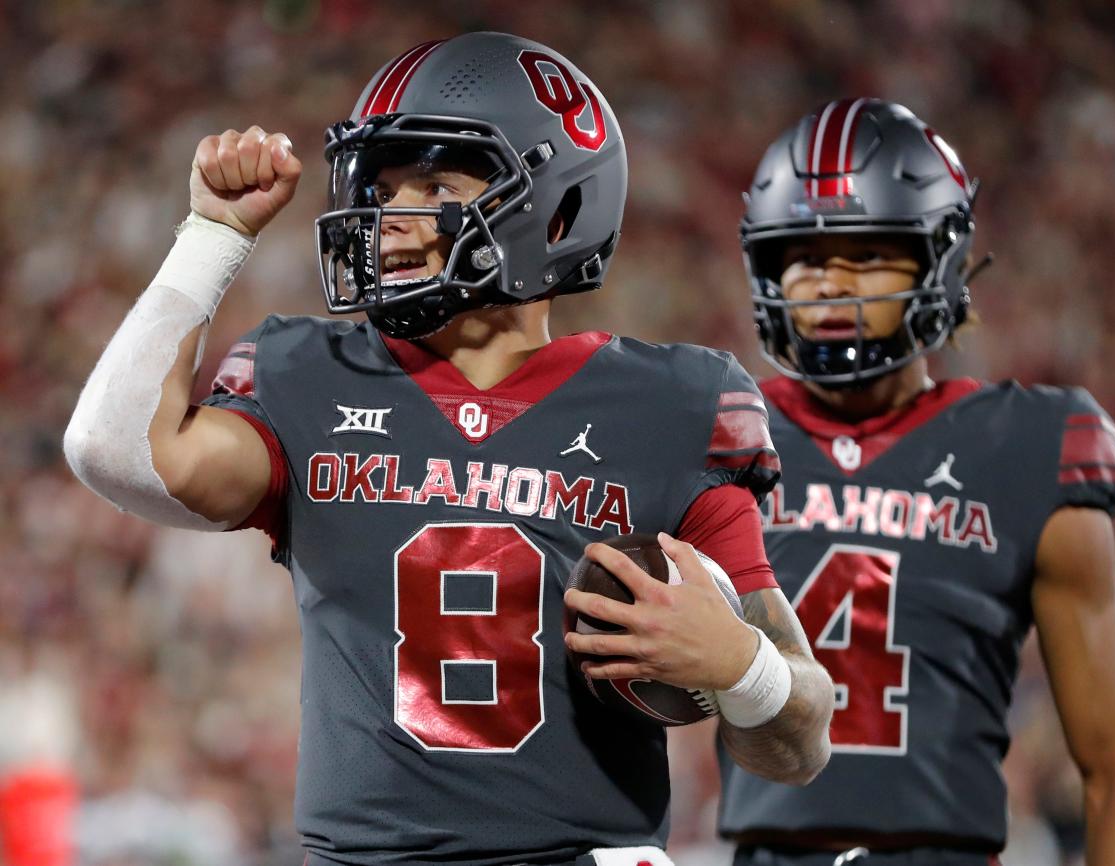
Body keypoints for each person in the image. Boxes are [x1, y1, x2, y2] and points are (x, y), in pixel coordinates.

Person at [63, 32, 834, 866]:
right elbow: (112, 450)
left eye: (434, 184)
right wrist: (211, 237)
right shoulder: (309, 375)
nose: (391, 218)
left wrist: (740, 665)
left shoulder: (672, 404)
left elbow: (796, 745)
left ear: (556, 204)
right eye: (383, 187)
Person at [716, 99, 1115, 866]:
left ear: (939, 260)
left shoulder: (1027, 445)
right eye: (805, 255)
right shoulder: (715, 429)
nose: (830, 284)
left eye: (868, 253)